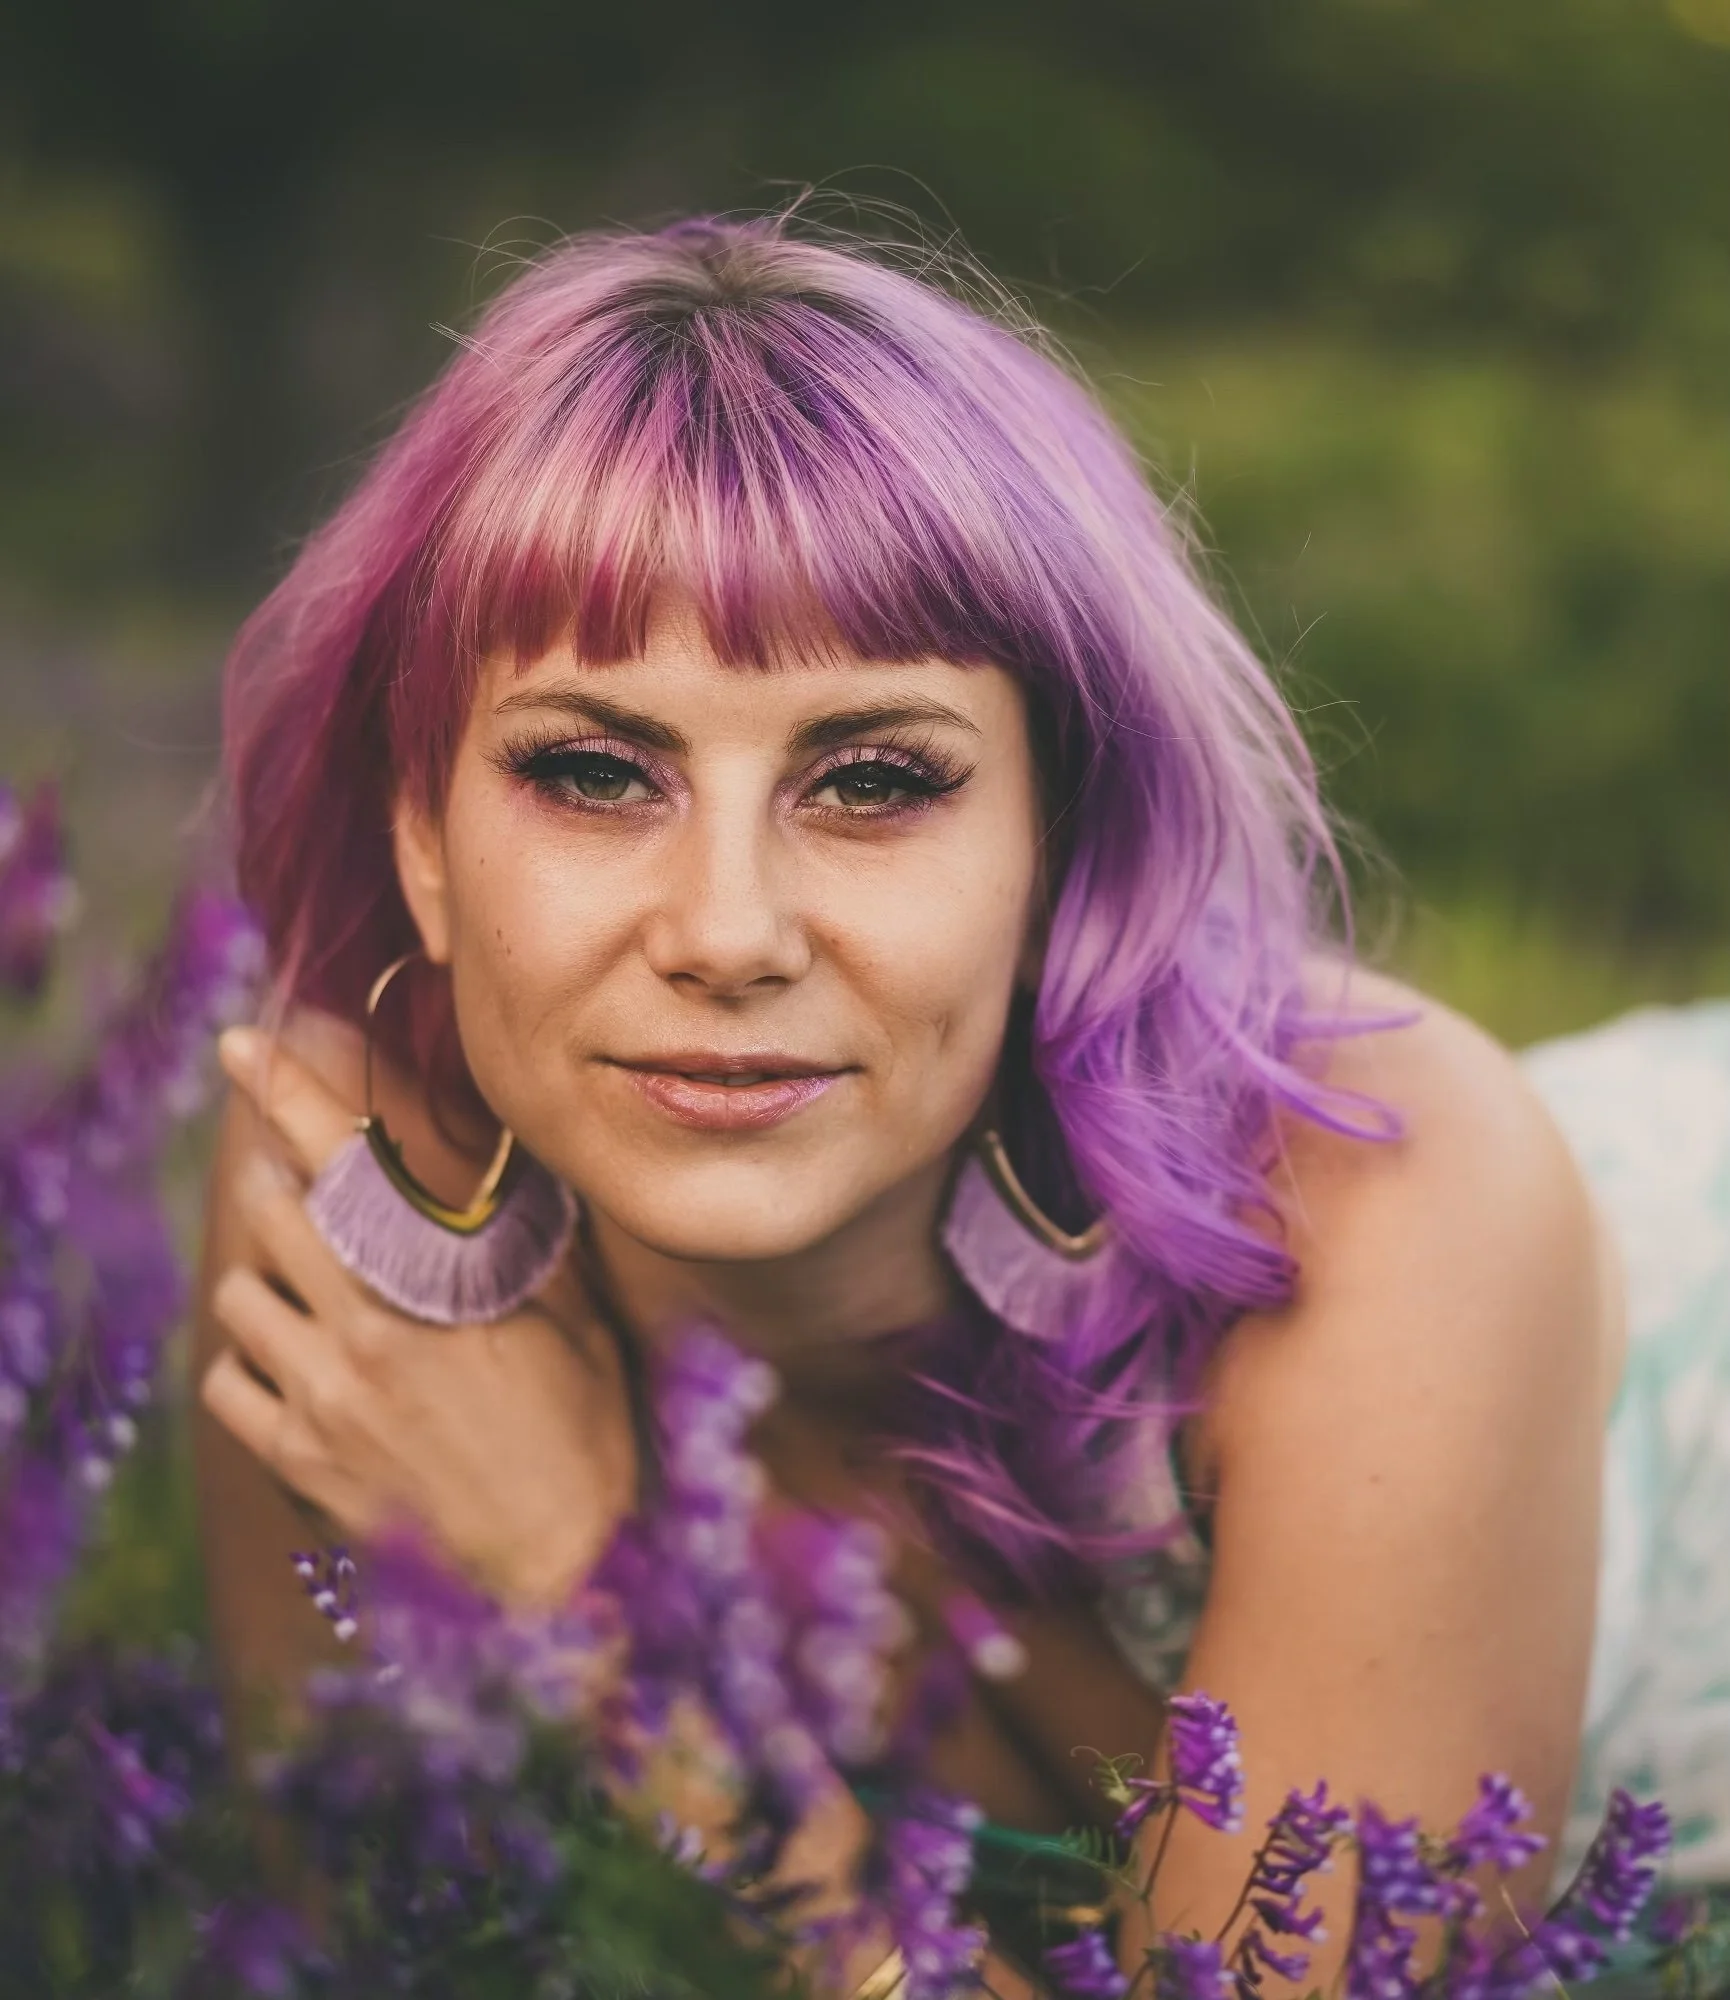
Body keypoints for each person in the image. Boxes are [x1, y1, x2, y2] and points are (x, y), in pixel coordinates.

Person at [188, 215, 1725, 1995]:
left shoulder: (1375, 1214)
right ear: (422, 842)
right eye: (593, 772)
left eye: (874, 780)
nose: (728, 935)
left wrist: (599, 1610)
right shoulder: (360, 1189)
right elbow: (339, 1939)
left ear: (1051, 847)